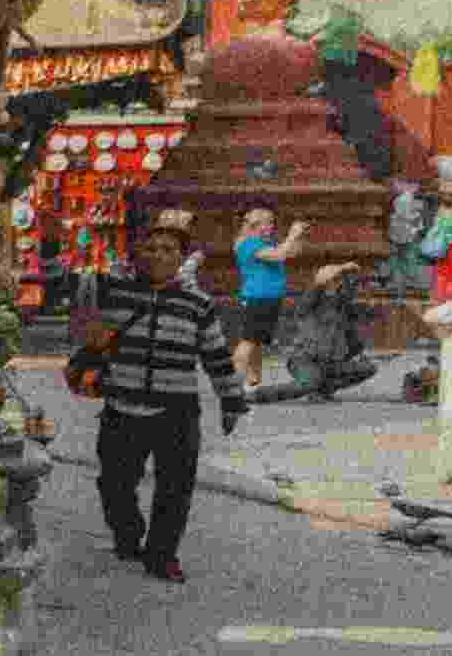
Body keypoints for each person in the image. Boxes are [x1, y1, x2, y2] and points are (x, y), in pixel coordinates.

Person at [72, 217, 246, 584]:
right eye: (150, 248)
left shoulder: (198, 304)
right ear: (138, 254)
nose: (158, 255)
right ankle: (128, 534)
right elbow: (85, 328)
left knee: (175, 489)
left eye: (169, 249)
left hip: (176, 414)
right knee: (114, 484)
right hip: (122, 408)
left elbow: (216, 357)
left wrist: (231, 401)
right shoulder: (115, 295)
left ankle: (162, 555)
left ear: (182, 257)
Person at [227, 204, 308, 393]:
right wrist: (292, 235)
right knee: (248, 341)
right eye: (268, 222)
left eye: (272, 222)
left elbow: (291, 253)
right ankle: (231, 384)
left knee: (256, 343)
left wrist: (299, 236)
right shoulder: (249, 244)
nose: (272, 226)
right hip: (258, 298)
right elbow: (279, 255)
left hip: (267, 299)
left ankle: (253, 381)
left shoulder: (263, 243)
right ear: (256, 224)